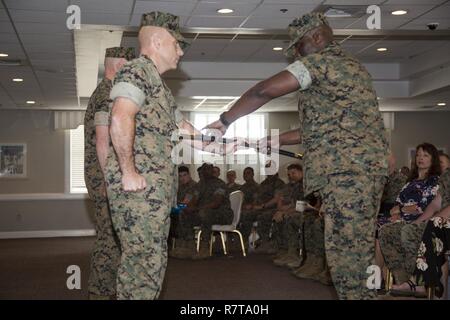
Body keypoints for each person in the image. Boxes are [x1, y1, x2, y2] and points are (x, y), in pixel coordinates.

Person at [205, 12, 388, 299]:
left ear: (316, 37)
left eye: (298, 46)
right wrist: (266, 140)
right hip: (357, 176)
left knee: (347, 260)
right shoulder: (352, 68)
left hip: (349, 177)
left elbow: (263, 90)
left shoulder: (323, 62)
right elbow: (313, 130)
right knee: (351, 255)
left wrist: (225, 120)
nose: (295, 54)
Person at [105, 11, 211, 299]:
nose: (180, 52)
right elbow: (120, 117)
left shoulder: (159, 85)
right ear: (157, 41)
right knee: (141, 266)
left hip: (155, 192)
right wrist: (128, 171)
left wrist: (219, 145)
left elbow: (184, 128)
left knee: (152, 264)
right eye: (177, 44)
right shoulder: (137, 71)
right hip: (139, 190)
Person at [83, 46, 135, 300]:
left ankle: (104, 291)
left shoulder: (104, 91)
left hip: (104, 178)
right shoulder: (108, 93)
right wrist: (108, 180)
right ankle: (101, 293)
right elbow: (103, 142)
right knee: (110, 240)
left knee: (111, 238)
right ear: (120, 65)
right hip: (105, 178)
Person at [379, 143, 441, 290]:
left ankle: (409, 280)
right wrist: (396, 211)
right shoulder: (410, 182)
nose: (420, 158)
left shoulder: (434, 181)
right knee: (381, 229)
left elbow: (422, 207)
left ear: (433, 160)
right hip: (401, 219)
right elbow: (398, 203)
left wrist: (400, 210)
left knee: (389, 230)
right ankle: (398, 278)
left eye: (426, 155)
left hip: (419, 221)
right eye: (418, 155)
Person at [391, 153, 450, 297]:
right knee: (426, 227)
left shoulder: (435, 181)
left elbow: (425, 206)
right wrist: (420, 221)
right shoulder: (446, 179)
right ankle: (426, 282)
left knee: (434, 225)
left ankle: (421, 282)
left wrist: (437, 218)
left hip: (444, 222)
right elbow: (435, 204)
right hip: (442, 224)